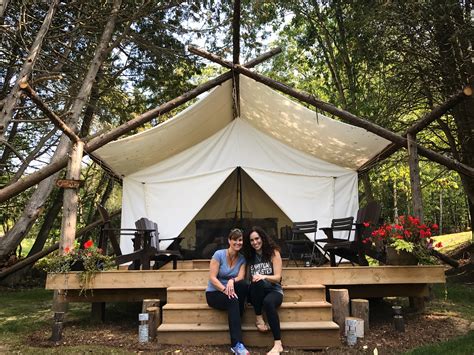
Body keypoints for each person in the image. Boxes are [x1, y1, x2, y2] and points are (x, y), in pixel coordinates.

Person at [206, 228, 250, 355]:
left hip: (231, 291)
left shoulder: (242, 259)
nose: (238, 242)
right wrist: (225, 289)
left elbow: (241, 277)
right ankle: (236, 345)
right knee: (233, 299)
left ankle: (237, 314)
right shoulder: (218, 254)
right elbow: (212, 278)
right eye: (235, 240)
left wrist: (231, 280)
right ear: (229, 241)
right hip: (214, 293)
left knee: (243, 285)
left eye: (240, 240)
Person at [243, 226, 284, 355]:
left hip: (274, 290)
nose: (255, 242)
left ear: (263, 238)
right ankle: (259, 317)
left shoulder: (274, 253)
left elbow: (278, 278)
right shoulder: (250, 256)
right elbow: (247, 278)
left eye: (257, 238)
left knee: (268, 302)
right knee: (256, 282)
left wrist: (264, 276)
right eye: (252, 240)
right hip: (256, 291)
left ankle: (278, 344)